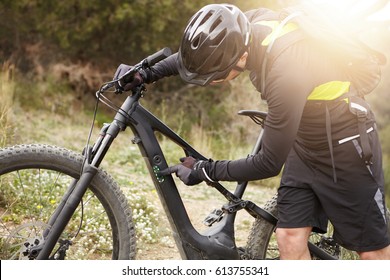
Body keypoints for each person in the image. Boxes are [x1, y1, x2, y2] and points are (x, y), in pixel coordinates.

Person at [114, 4, 390, 259]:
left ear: (241, 57)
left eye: (216, 75)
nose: (211, 81)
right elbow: (203, 55)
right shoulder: (247, 27)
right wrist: (147, 72)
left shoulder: (286, 74)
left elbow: (268, 163)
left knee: (371, 252)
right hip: (305, 142)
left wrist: (204, 170)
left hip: (346, 145)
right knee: (290, 238)